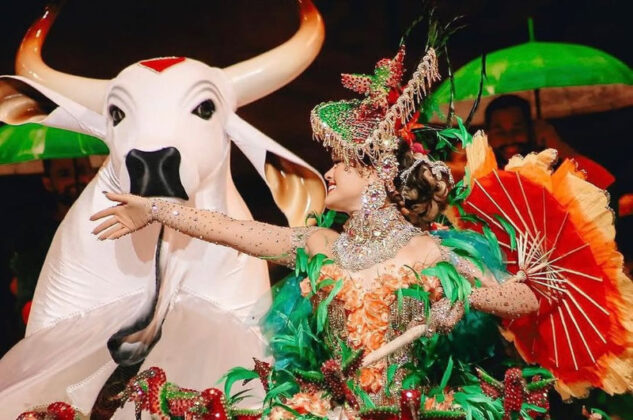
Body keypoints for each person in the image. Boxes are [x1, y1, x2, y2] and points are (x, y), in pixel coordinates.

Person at [90, 47, 544, 419]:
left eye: (340, 163)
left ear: (377, 174)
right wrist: (155, 208)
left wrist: (461, 298)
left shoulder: (427, 251)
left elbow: (523, 300)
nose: (327, 172)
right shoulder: (319, 244)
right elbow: (232, 231)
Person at [9, 157, 96, 331]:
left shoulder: (114, 223)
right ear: (48, 183)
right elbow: (28, 308)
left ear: (93, 175)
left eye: (81, 171)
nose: (75, 181)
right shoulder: (35, 237)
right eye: (64, 175)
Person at [484, 95, 615, 189]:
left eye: (517, 129)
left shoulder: (552, 171)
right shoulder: (483, 178)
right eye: (499, 131)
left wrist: (557, 145)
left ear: (532, 129)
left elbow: (604, 186)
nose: (510, 139)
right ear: (488, 135)